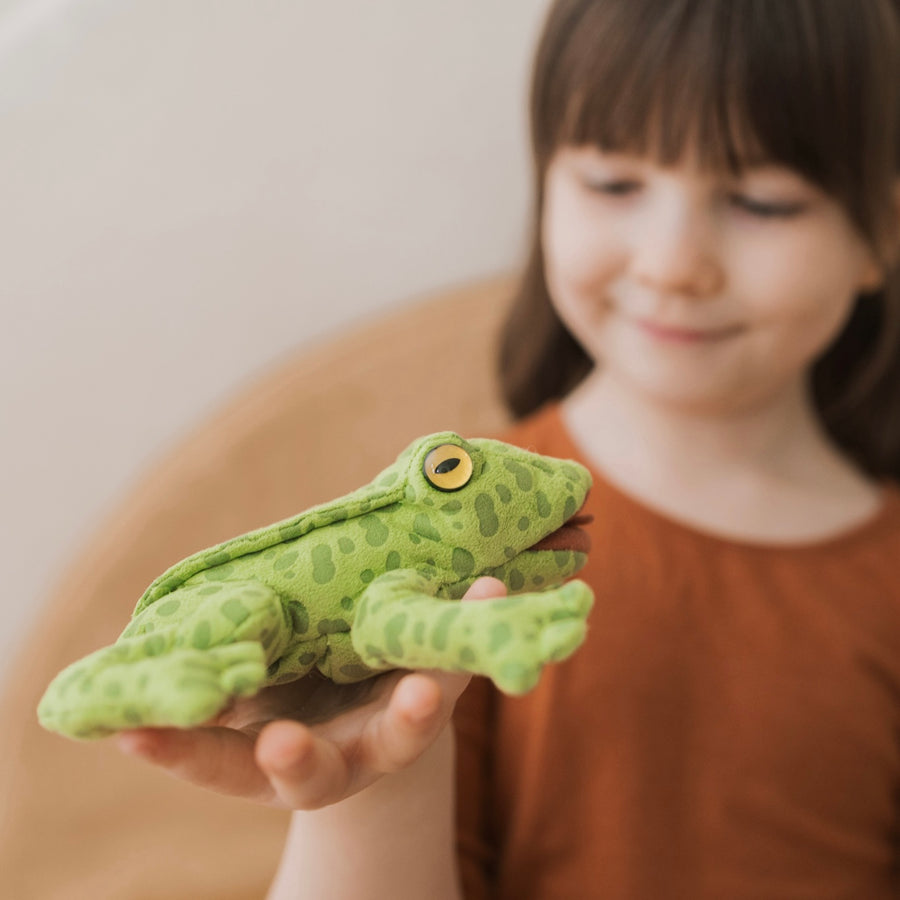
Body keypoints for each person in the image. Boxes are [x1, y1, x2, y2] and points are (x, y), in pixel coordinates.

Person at [115, 0, 900, 897]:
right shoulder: (459, 537)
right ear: (546, 185)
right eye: (614, 184)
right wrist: (372, 785)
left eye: (763, 200)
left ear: (880, 230)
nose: (674, 261)